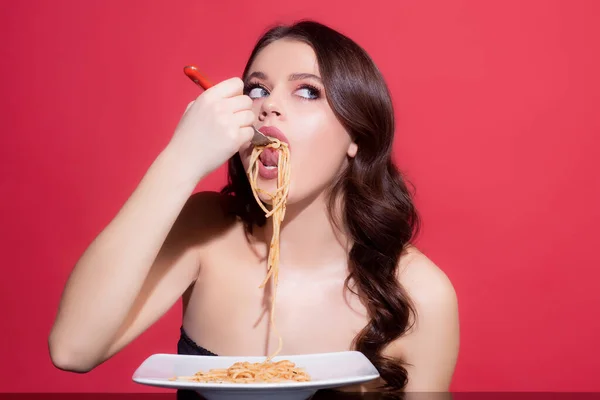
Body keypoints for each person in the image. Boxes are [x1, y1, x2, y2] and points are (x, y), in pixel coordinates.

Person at [48, 20, 460, 395]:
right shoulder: (205, 231)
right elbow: (72, 350)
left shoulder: (420, 294)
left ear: (357, 134)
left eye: (307, 91)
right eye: (257, 89)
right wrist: (180, 159)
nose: (267, 106)